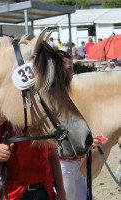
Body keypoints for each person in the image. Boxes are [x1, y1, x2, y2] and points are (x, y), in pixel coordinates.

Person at [0, 121, 66, 200]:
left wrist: (61, 192)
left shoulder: (42, 118)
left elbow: (52, 155)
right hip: (11, 194)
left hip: (44, 191)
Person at [57, 49, 102, 200]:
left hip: (72, 164)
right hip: (62, 164)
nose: (73, 74)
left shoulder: (66, 97)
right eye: (69, 69)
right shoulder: (55, 100)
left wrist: (86, 140)